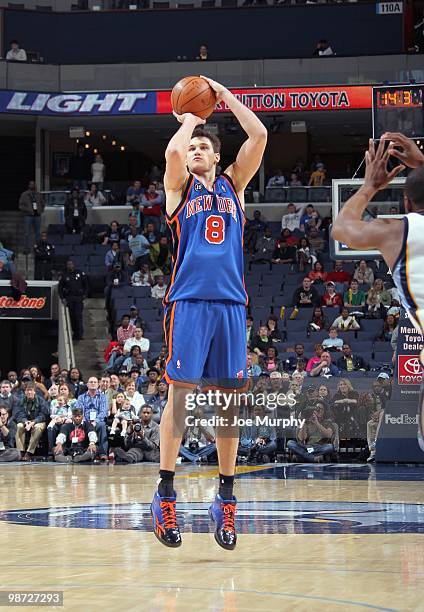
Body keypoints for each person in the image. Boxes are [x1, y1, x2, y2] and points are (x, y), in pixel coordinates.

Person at [151, 75, 267, 550]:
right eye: (194, 145)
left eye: (204, 146)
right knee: (180, 394)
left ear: (218, 156)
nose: (196, 149)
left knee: (228, 401)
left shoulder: (235, 187)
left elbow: (258, 136)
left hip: (231, 305)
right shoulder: (179, 190)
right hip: (190, 301)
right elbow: (173, 157)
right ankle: (165, 493)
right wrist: (190, 120)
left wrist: (226, 97)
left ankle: (225, 496)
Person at [331, 133, 424, 449]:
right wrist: (422, 163)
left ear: (406, 203)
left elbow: (341, 229)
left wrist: (370, 186)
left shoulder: (396, 230)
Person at [58, 260, 89, 342]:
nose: (70, 265)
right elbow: (60, 288)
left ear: (74, 265)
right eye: (68, 264)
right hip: (69, 298)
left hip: (78, 298)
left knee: (78, 315)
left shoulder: (80, 273)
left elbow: (86, 284)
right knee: (72, 317)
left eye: (71, 264)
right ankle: (75, 333)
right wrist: (62, 298)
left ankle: (80, 334)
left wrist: (85, 295)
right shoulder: (64, 275)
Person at [18, 180, 45, 254]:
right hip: (28, 216)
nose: (32, 185)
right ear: (29, 185)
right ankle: (27, 249)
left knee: (37, 233)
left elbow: (43, 203)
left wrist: (41, 210)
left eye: (34, 184)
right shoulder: (24, 194)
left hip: (37, 216)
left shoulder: (39, 194)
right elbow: (20, 205)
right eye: (31, 184)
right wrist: (28, 210)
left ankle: (38, 248)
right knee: (27, 233)